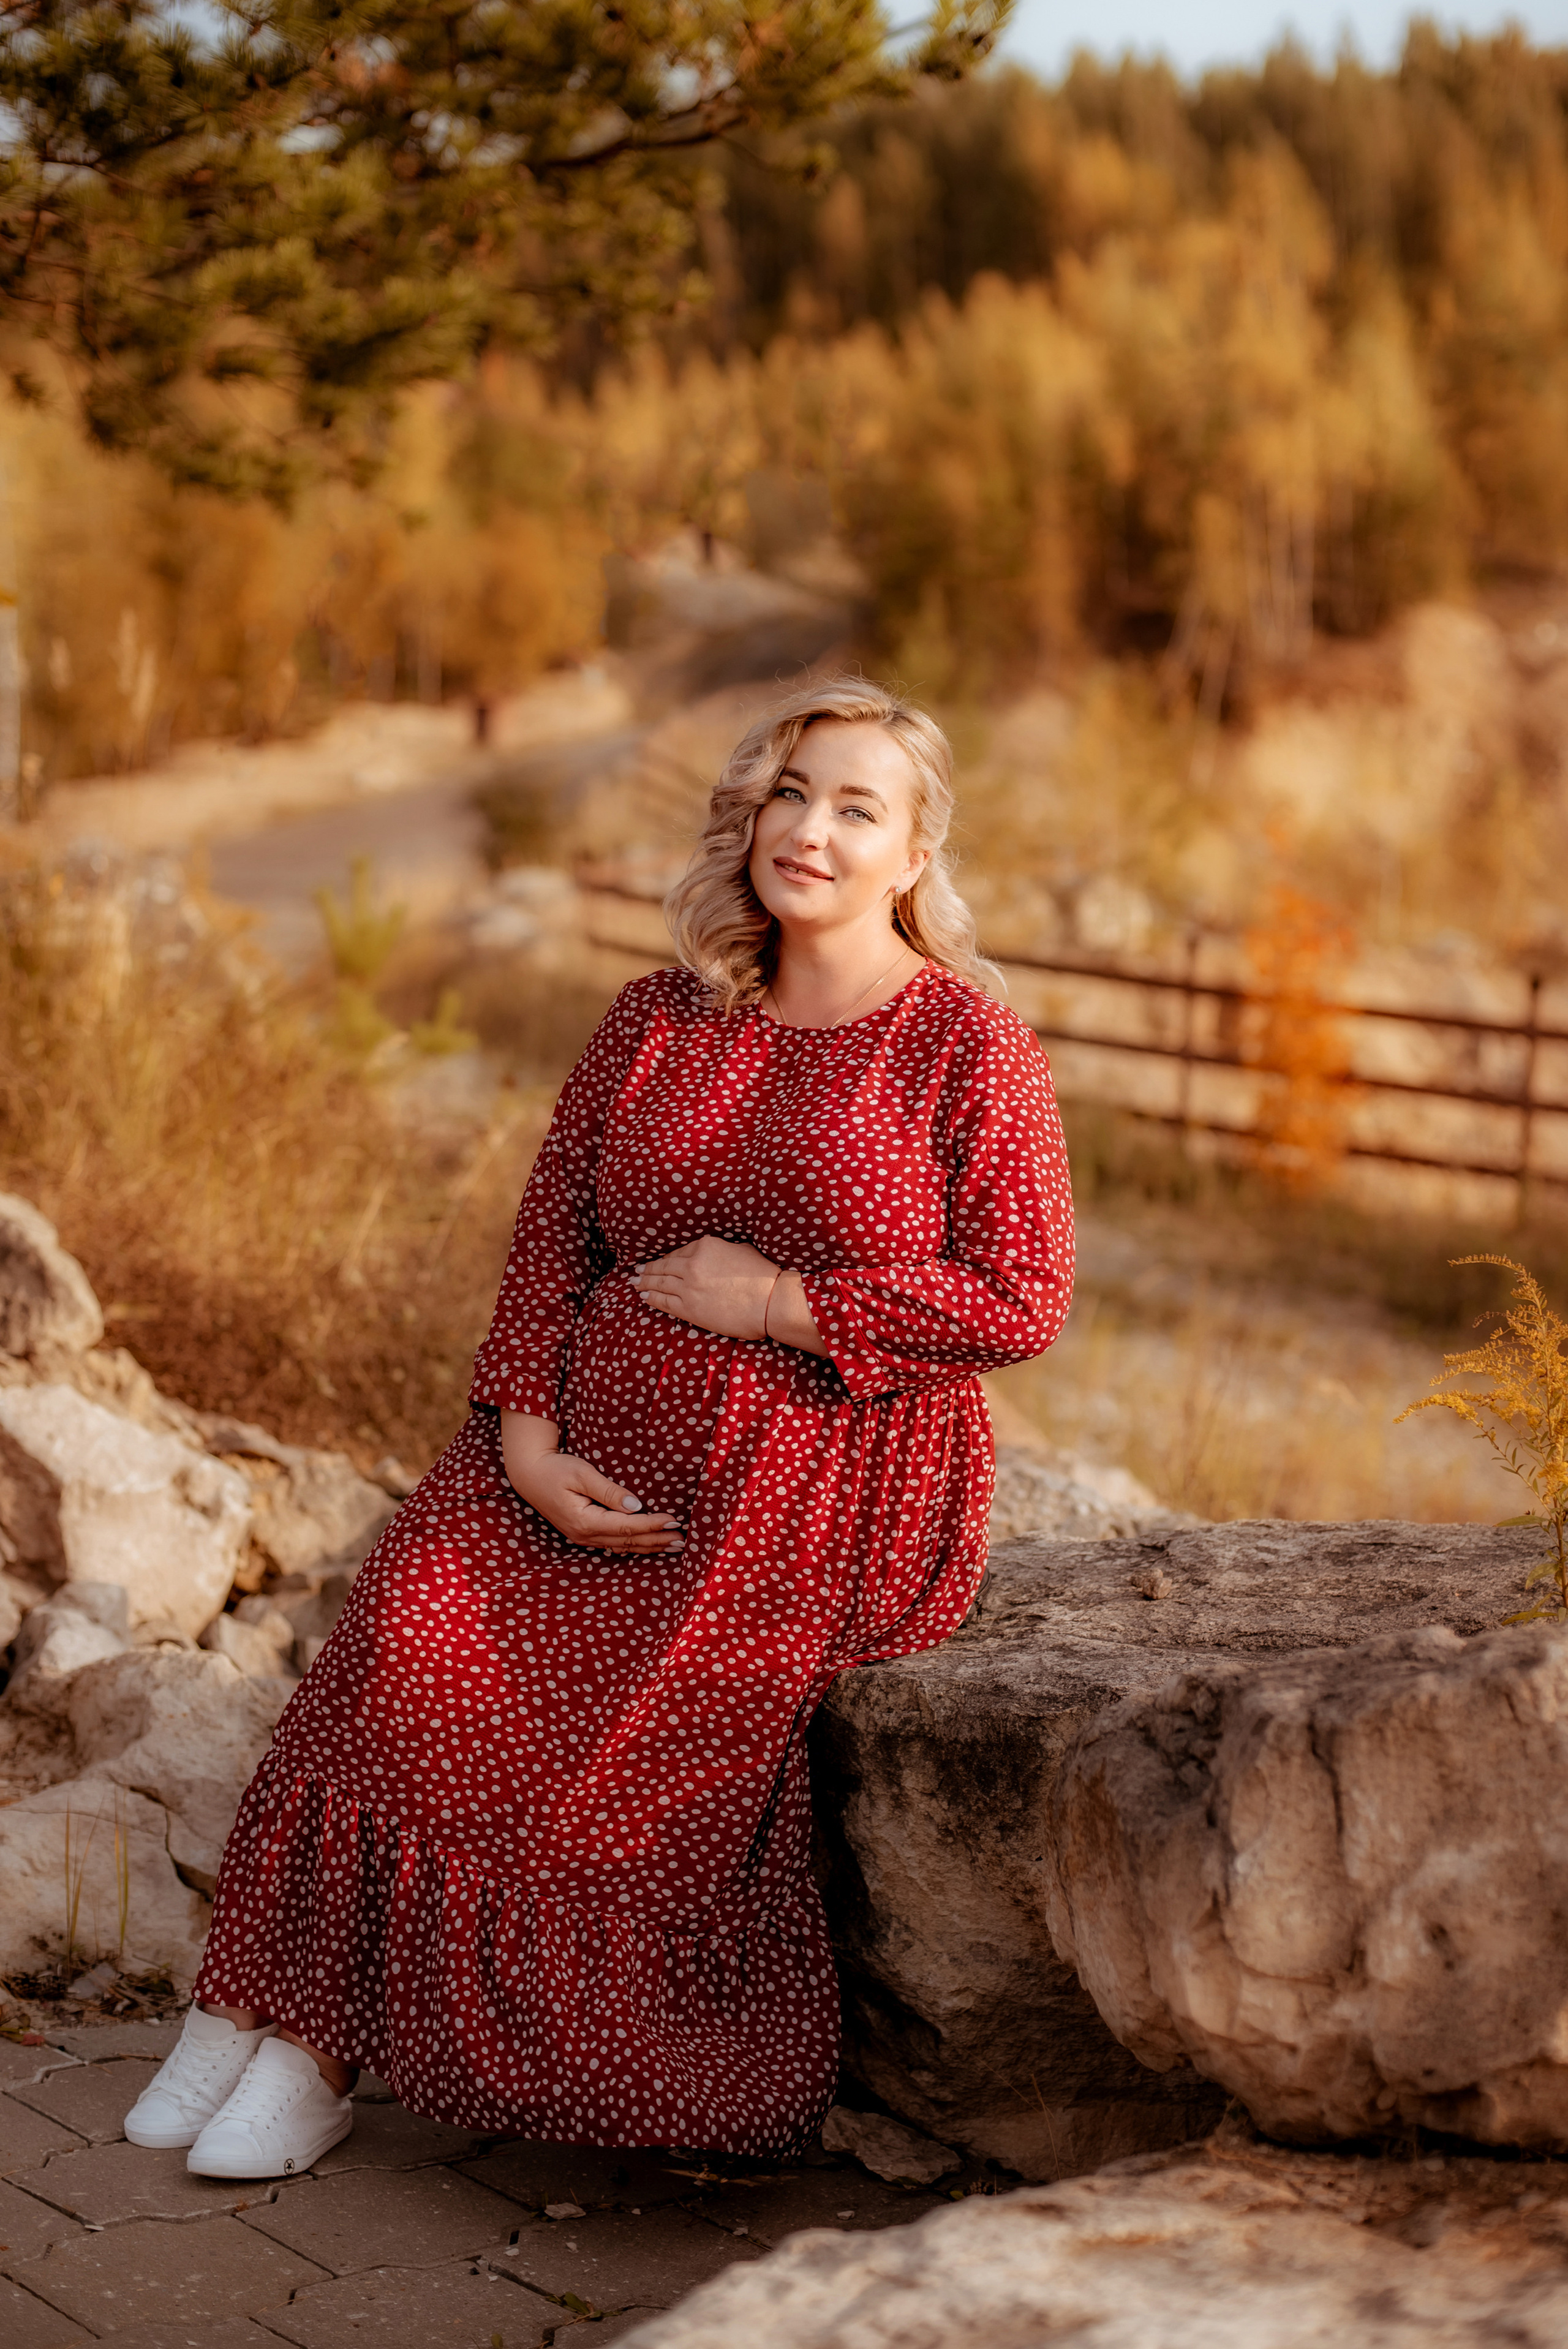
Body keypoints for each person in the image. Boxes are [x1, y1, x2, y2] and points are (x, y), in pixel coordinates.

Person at [125, 675, 1075, 2177]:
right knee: (408, 1634)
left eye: (855, 806)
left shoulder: (962, 1048)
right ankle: (258, 2008)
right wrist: (517, 1434)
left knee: (573, 1751)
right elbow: (549, 1238)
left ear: (912, 856)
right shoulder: (657, 1016)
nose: (808, 830)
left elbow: (1021, 1296)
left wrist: (779, 1304)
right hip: (568, 1451)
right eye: (788, 792)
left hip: (811, 1485)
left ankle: (315, 2047)